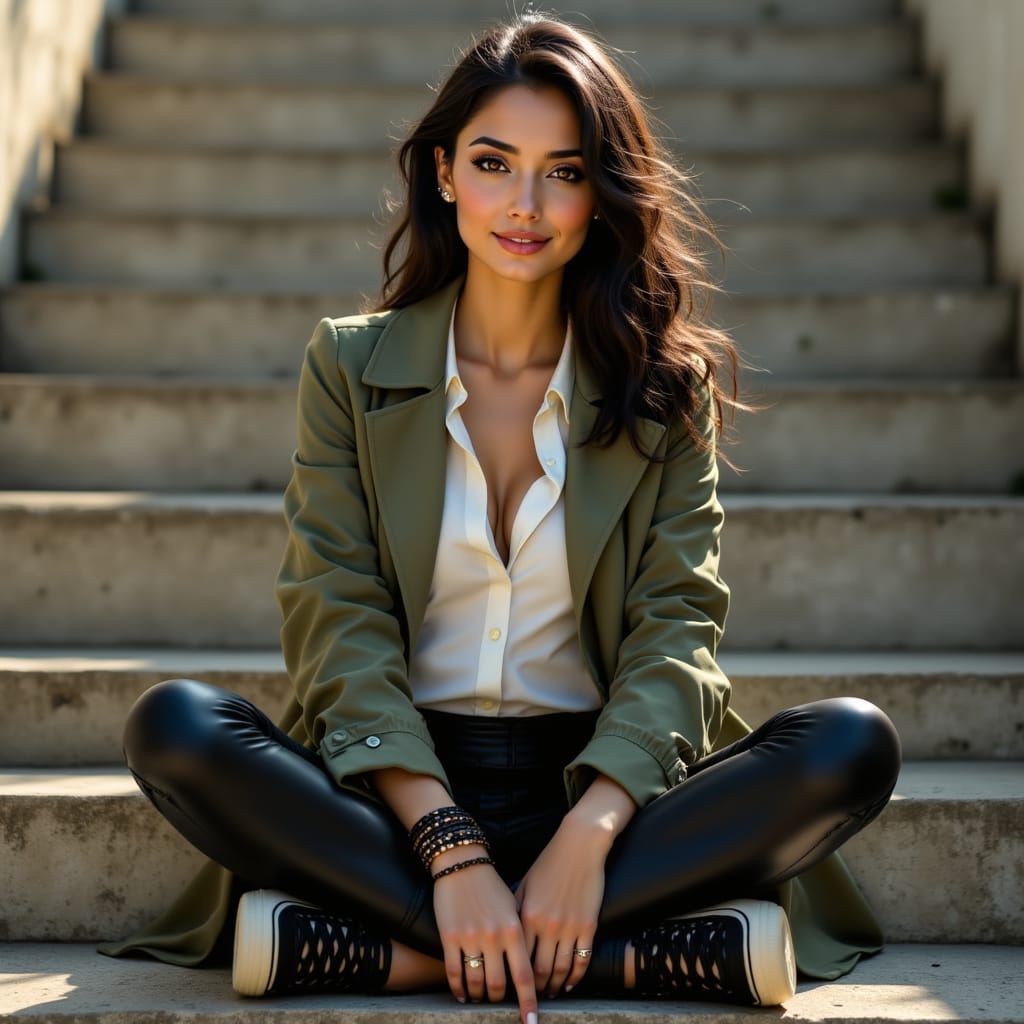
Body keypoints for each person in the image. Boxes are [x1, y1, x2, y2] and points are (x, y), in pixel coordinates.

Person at [96, 11, 902, 1024]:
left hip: (602, 792)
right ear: (442, 173)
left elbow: (676, 634)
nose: (526, 204)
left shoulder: (661, 387)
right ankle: (624, 954)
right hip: (393, 791)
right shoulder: (348, 365)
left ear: (599, 195)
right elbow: (334, 619)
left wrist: (586, 834)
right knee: (173, 726)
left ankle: (401, 954)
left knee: (849, 746)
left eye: (563, 172)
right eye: (493, 162)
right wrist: (448, 847)